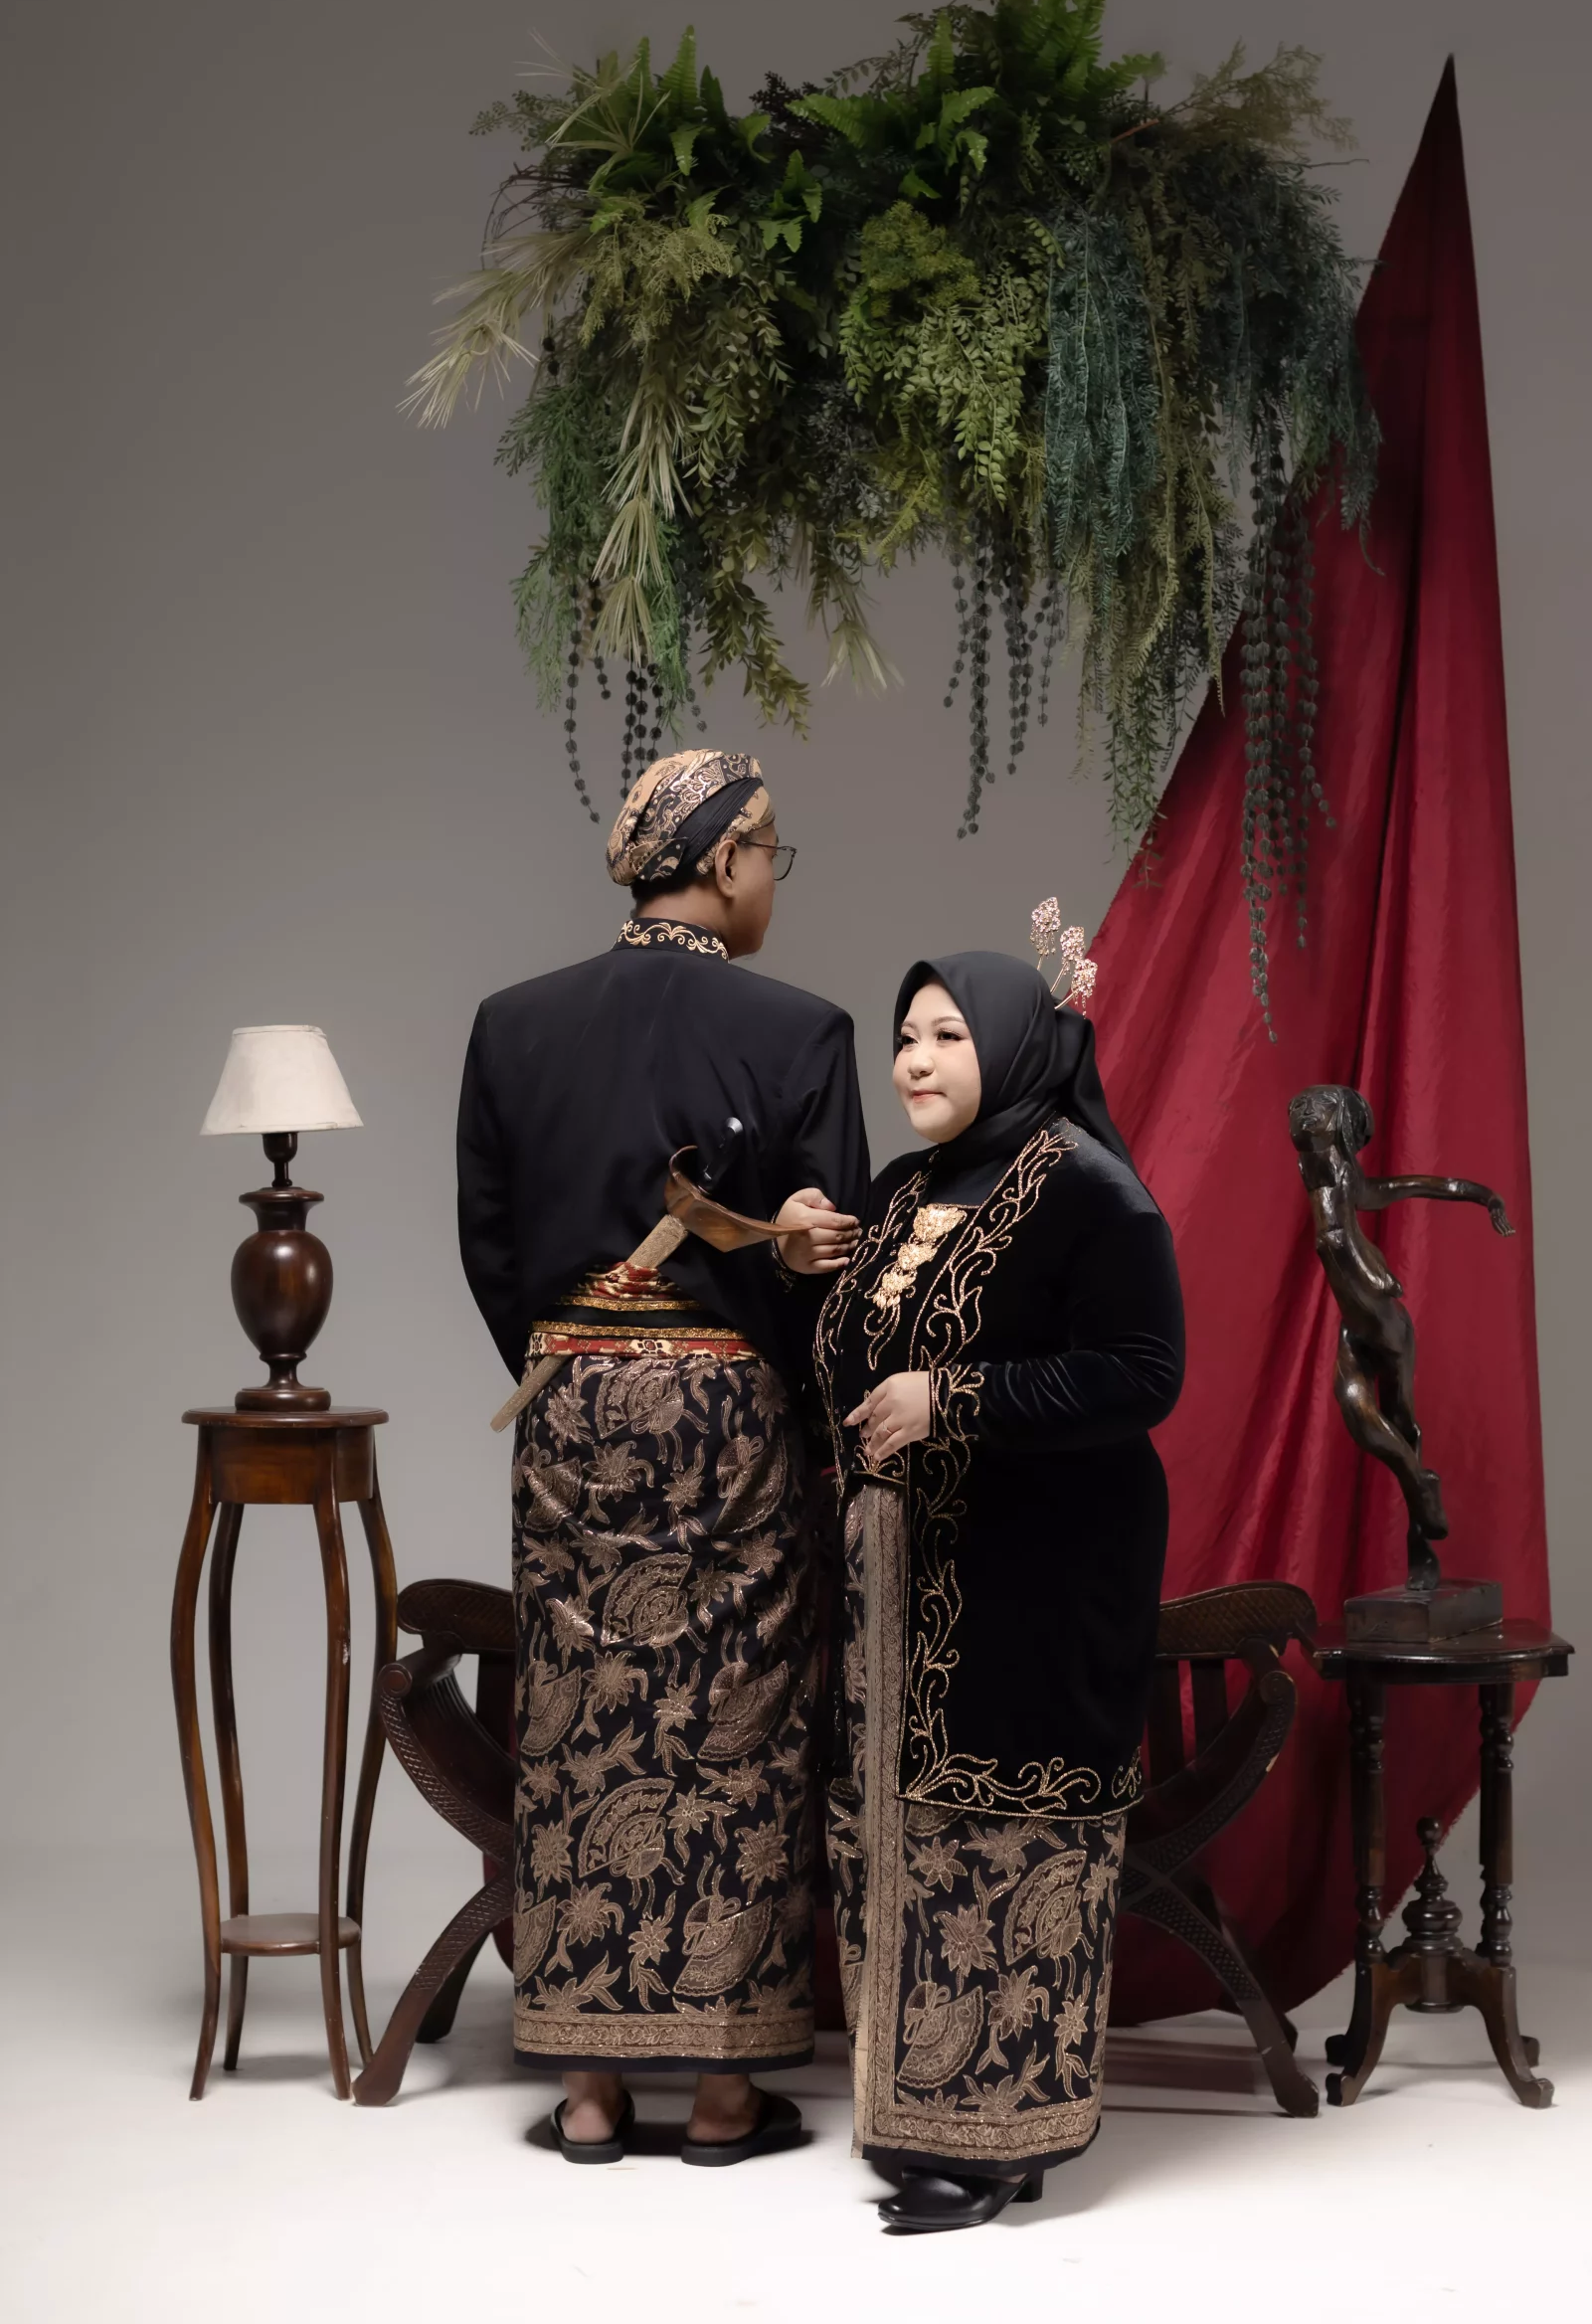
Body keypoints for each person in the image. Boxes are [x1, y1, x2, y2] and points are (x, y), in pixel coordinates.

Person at [456, 750, 868, 2166]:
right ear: (729, 854)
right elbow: (831, 1269)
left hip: (569, 1404)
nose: (771, 881)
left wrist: (575, 1361)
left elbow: (491, 1247)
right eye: (771, 854)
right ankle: (723, 2094)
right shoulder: (801, 1030)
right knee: (738, 1725)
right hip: (730, 1412)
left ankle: (585, 2090)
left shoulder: (512, 1025)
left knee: (576, 1722)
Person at [813, 950, 1184, 2233]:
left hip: (1039, 1574)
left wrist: (956, 1398)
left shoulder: (1089, 1190)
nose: (913, 1061)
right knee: (899, 1833)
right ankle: (915, 2111)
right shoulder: (903, 1190)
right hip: (901, 1580)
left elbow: (1145, 1371)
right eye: (905, 1037)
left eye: (947, 1036)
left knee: (1004, 1837)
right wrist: (810, 1268)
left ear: (1018, 1046)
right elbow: (858, 1365)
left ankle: (1001, 2141)